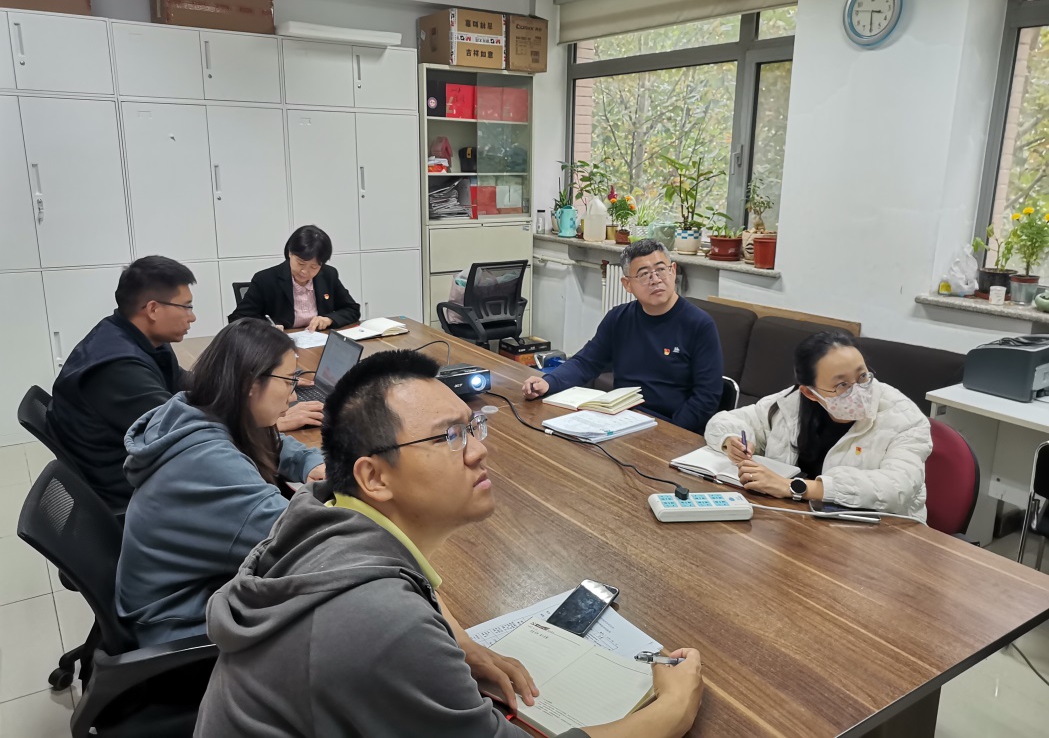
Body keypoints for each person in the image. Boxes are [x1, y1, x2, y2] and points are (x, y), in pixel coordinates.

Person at [195, 350, 704, 737]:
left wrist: (459, 643)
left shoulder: (324, 516)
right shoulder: (379, 617)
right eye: (450, 437)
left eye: (474, 427)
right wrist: (673, 709)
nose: (479, 450)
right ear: (373, 477)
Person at [116, 318, 326, 646]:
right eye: (289, 381)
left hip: (180, 588)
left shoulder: (193, 409)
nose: (294, 394)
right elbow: (305, 546)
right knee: (333, 616)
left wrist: (311, 463)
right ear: (251, 383)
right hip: (178, 622)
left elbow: (270, 441)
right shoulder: (213, 466)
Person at [704, 331, 931, 519]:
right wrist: (730, 440)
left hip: (885, 533)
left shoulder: (904, 417)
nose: (858, 391)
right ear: (810, 393)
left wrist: (794, 487)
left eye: (862, 376)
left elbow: (897, 488)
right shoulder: (792, 402)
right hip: (798, 521)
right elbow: (728, 420)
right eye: (842, 384)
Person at [522, 239, 723, 434]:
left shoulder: (699, 324)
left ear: (673, 271)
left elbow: (706, 396)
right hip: (622, 420)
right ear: (627, 284)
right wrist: (549, 382)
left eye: (661, 269)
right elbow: (586, 362)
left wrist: (670, 432)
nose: (655, 279)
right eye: (644, 274)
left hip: (671, 427)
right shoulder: (619, 318)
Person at [47, 256, 197, 510]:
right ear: (153, 309)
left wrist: (235, 388)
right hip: (129, 489)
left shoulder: (133, 335)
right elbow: (181, 430)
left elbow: (181, 381)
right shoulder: (119, 367)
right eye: (186, 307)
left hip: (132, 462)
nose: (192, 317)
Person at [228, 224, 361, 332]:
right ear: (290, 253)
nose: (305, 271)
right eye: (300, 263)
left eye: (314, 267)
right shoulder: (265, 279)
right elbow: (238, 319)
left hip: (318, 343)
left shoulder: (328, 275)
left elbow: (352, 309)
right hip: (279, 346)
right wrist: (267, 327)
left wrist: (329, 319)